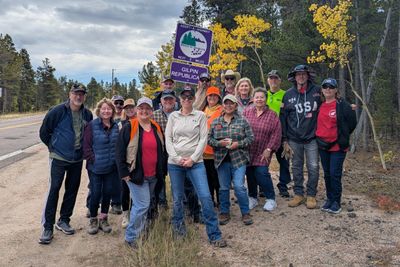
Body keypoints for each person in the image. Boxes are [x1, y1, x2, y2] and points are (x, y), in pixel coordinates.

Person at [165, 87, 227, 247]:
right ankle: (179, 231)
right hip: (175, 164)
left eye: (189, 97)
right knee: (178, 198)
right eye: (184, 97)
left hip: (196, 163)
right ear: (179, 99)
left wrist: (192, 159)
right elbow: (168, 140)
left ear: (194, 99)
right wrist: (177, 158)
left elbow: (203, 139)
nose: (186, 99)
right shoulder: (173, 117)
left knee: (205, 196)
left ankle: (214, 234)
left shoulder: (200, 115)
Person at [38, 84, 93, 244]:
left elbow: (88, 135)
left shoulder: (87, 114)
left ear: (84, 97)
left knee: (72, 189)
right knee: (54, 189)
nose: (78, 97)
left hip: (76, 159)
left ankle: (63, 220)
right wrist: (53, 147)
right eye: (76, 93)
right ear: (70, 94)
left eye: (82, 94)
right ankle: (47, 227)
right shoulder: (57, 111)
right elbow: (44, 132)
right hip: (58, 158)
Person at [116, 97, 166, 248]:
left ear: (152, 111)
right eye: (141, 108)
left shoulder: (156, 126)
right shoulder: (129, 127)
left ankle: (141, 231)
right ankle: (131, 237)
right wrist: (124, 173)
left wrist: (163, 171)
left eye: (147, 108)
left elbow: (162, 151)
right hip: (136, 175)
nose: (144, 111)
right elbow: (119, 152)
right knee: (142, 204)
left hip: (153, 174)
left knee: (146, 203)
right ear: (137, 110)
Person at [209, 94, 254, 225]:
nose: (228, 106)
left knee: (239, 187)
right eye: (226, 103)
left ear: (235, 106)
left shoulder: (243, 121)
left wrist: (237, 144)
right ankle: (224, 212)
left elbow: (251, 138)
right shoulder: (216, 121)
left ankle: (245, 212)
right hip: (222, 160)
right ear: (223, 105)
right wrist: (220, 143)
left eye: (231, 103)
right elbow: (209, 139)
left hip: (239, 159)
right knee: (223, 188)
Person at [281, 64, 321, 209]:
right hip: (294, 138)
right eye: (298, 74)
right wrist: (284, 139)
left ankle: (311, 195)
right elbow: (283, 118)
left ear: (308, 75)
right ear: (294, 77)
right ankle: (298, 194)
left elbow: (330, 103)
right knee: (296, 166)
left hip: (312, 138)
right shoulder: (288, 94)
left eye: (303, 74)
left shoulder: (317, 91)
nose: (301, 76)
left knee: (314, 167)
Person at [316, 78, 357, 214]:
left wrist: (343, 136)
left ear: (336, 90)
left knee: (335, 174)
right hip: (323, 146)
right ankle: (329, 199)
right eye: (325, 86)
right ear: (322, 89)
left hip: (337, 147)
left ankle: (336, 202)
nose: (328, 89)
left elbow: (352, 123)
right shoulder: (319, 104)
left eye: (331, 87)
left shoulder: (342, 105)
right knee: (327, 174)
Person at [83, 98, 119, 234]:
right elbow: (86, 147)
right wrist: (94, 160)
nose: (106, 111)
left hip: (111, 167)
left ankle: (103, 218)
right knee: (96, 193)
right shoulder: (91, 125)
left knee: (107, 193)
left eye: (109, 109)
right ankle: (93, 219)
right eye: (103, 108)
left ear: (112, 111)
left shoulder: (116, 126)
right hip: (95, 168)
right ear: (99, 110)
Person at [243, 88, 282, 212]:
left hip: (263, 150)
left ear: (266, 99)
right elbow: (240, 128)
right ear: (253, 99)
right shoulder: (246, 112)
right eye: (257, 97)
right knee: (249, 174)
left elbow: (276, 133)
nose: (259, 99)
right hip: (248, 150)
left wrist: (269, 149)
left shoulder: (272, 115)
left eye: (262, 97)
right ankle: (252, 197)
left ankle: (270, 198)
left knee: (261, 173)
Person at [266, 70, 292, 198]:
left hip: (282, 133)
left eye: (276, 78)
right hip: (266, 134)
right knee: (264, 161)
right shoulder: (263, 95)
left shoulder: (285, 95)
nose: (273, 81)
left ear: (280, 80)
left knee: (284, 161)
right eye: (271, 78)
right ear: (268, 80)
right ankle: (262, 185)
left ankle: (283, 185)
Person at [152, 90, 177, 209]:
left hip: (176, 152)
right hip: (160, 152)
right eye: (165, 99)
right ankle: (162, 203)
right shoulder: (153, 115)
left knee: (177, 178)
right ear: (161, 101)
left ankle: (179, 202)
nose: (168, 101)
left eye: (170, 99)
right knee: (160, 177)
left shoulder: (180, 114)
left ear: (175, 100)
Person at [203, 86, 223, 207]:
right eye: (210, 95)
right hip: (204, 152)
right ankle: (211, 201)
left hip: (217, 152)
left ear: (218, 97)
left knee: (218, 180)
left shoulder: (222, 110)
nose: (212, 98)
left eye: (215, 96)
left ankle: (222, 202)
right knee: (208, 180)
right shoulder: (202, 110)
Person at [118, 98, 136, 228]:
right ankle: (125, 214)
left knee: (136, 189)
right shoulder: (121, 124)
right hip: (125, 161)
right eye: (127, 108)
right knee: (124, 189)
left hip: (137, 162)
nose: (129, 109)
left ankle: (135, 213)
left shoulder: (140, 121)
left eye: (131, 107)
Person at [109, 95, 124, 214]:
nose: (118, 105)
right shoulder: (106, 116)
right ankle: (92, 204)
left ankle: (116, 203)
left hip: (119, 153)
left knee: (117, 179)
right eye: (116, 103)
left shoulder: (125, 119)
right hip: (106, 152)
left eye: (121, 103)